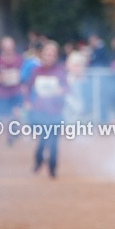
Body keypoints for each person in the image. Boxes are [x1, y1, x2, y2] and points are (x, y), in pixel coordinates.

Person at [25, 41, 68, 177]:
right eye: (47, 54)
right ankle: (38, 160)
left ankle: (52, 167)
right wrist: (27, 102)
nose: (49, 57)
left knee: (54, 141)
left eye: (52, 54)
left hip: (55, 111)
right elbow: (27, 87)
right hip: (40, 111)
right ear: (42, 55)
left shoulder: (60, 71)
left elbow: (67, 87)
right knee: (43, 139)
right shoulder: (36, 71)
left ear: (55, 56)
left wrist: (62, 91)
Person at [0, 37, 24, 145]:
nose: (8, 49)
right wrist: (2, 78)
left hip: (16, 90)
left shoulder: (19, 59)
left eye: (10, 46)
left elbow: (24, 74)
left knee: (16, 112)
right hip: (3, 92)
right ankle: (10, 135)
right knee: (5, 115)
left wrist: (18, 79)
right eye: (6, 47)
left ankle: (15, 130)